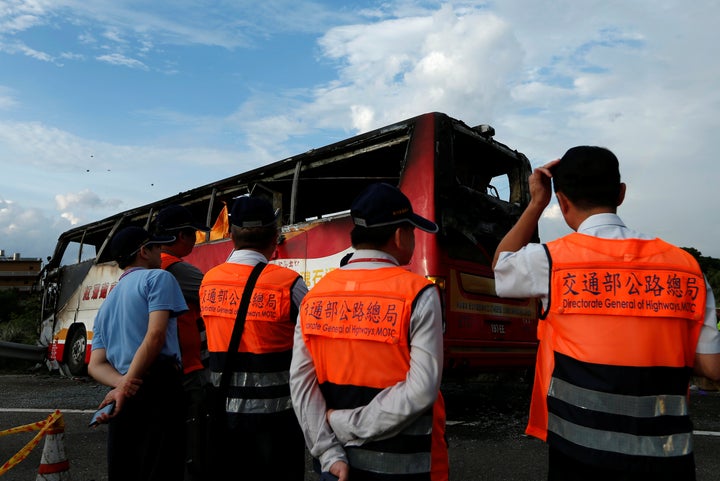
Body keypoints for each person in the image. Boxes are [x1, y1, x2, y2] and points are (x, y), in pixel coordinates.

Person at [492, 146, 720, 480]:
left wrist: (536, 203)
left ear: (563, 202)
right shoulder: (686, 267)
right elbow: (711, 366)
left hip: (579, 455)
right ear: (621, 194)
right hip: (668, 456)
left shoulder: (551, 261)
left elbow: (501, 267)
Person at [290, 182, 449, 481]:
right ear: (400, 235)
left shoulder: (315, 297)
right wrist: (348, 424)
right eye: (413, 232)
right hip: (407, 466)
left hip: (337, 468)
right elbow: (422, 389)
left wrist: (327, 452)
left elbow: (301, 384)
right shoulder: (419, 294)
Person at [198, 195, 308, 480]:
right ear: (275, 237)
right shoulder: (289, 284)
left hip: (222, 416)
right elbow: (314, 346)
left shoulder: (209, 281)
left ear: (231, 235)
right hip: (277, 422)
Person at [88, 226, 188, 481]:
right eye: (158, 247)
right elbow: (155, 336)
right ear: (144, 251)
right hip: (158, 385)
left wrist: (121, 384)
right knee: (162, 465)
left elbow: (95, 365)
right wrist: (126, 385)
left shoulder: (106, 304)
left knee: (126, 466)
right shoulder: (158, 278)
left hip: (126, 389)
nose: (161, 252)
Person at [152, 204, 211, 480]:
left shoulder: (151, 267)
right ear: (179, 236)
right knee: (192, 436)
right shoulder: (176, 270)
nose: (195, 240)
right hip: (186, 368)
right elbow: (218, 295)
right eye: (193, 234)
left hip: (161, 367)